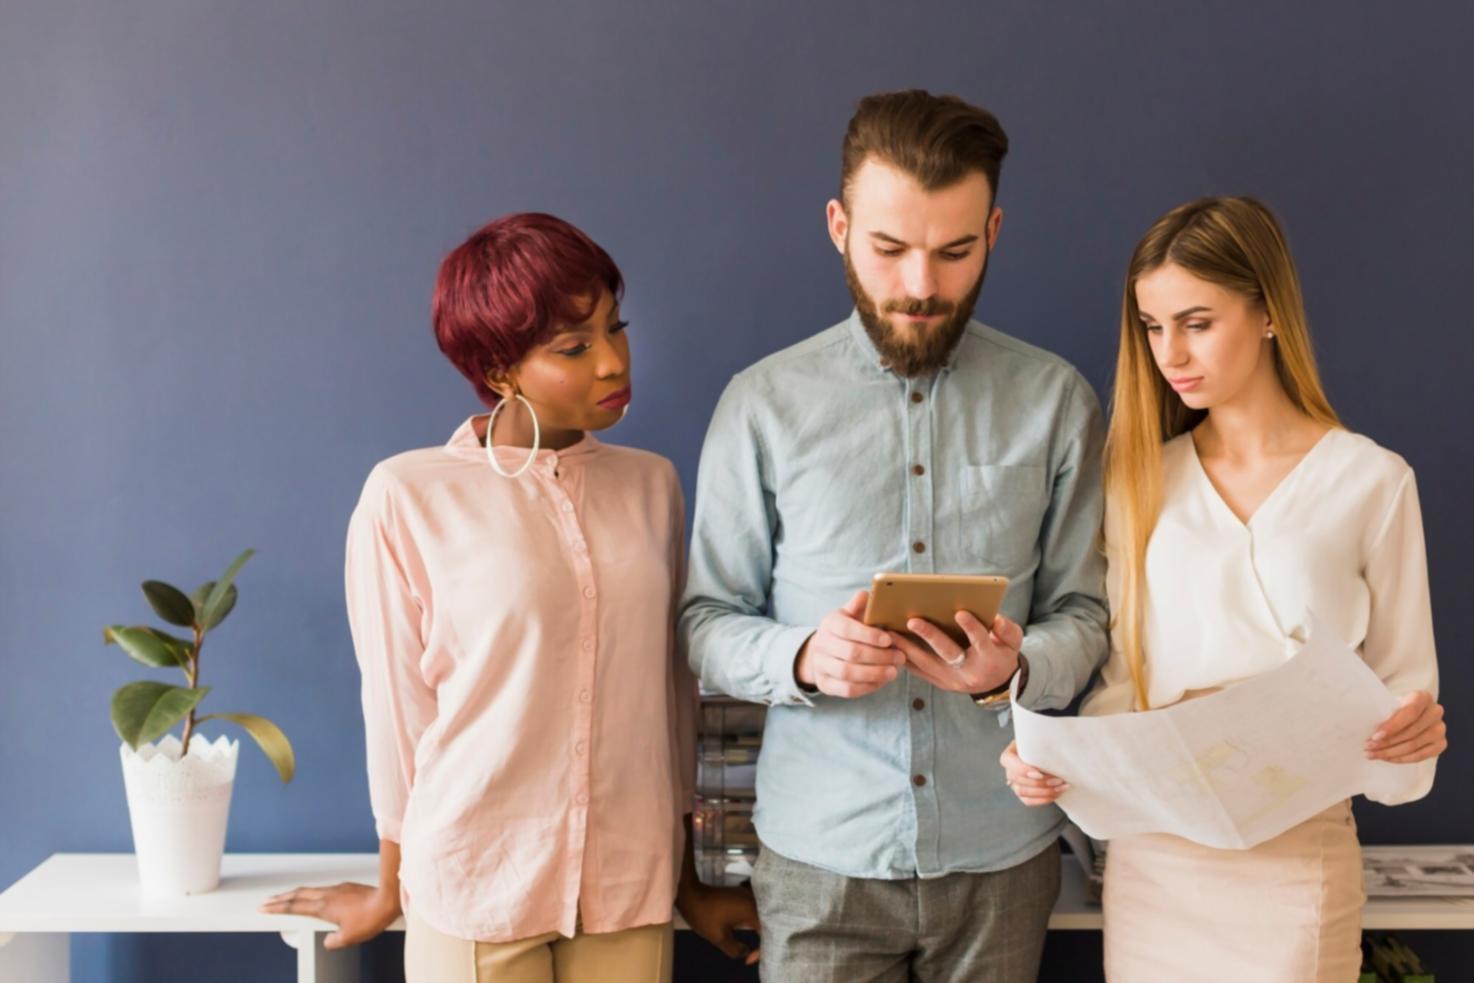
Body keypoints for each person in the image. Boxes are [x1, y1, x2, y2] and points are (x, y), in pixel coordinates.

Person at [680, 90, 1109, 981]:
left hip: (1003, 856)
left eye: (954, 251)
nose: (921, 285)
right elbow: (705, 622)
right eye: (889, 248)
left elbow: (1087, 613)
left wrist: (1017, 667)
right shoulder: (761, 405)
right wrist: (803, 657)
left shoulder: (1058, 401)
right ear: (838, 227)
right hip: (818, 861)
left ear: (993, 232)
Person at [261, 212, 758, 982]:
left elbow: (671, 695)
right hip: (475, 882)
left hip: (629, 884)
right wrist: (391, 886)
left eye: (615, 327)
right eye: (574, 347)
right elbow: (397, 712)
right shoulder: (407, 495)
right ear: (499, 370)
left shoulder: (651, 485)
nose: (613, 361)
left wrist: (691, 879)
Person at [1001, 196, 1446, 981]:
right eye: (1152, 326)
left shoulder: (1372, 481)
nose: (1170, 352)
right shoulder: (1135, 480)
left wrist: (1411, 732)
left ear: (1269, 312)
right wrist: (1052, 764)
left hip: (1297, 860)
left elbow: (1405, 692)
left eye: (1197, 322)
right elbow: (1120, 688)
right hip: (1154, 863)